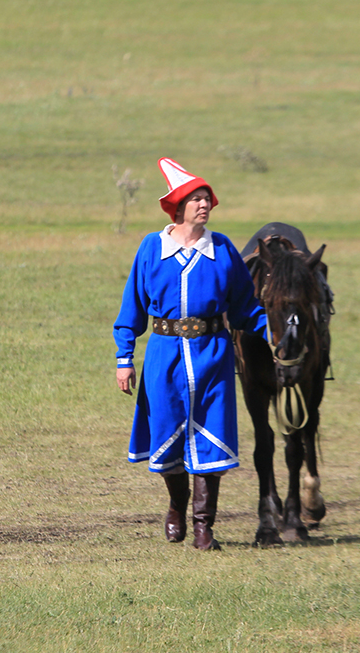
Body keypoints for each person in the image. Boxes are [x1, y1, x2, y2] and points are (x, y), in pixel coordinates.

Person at [113, 158, 267, 550]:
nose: (204, 205)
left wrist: (273, 332)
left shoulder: (222, 249)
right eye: (196, 199)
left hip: (213, 356)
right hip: (164, 357)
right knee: (167, 438)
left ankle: (204, 528)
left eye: (207, 199)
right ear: (178, 207)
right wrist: (124, 358)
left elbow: (245, 307)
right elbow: (132, 306)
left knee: (211, 441)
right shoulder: (152, 248)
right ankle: (177, 505)